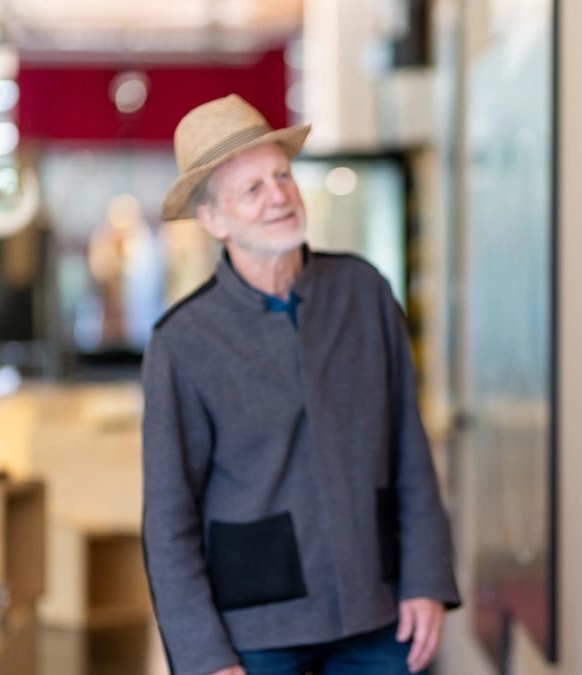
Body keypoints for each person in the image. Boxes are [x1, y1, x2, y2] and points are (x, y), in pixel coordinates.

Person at [142, 94, 460, 675]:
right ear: (213, 219)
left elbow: (410, 451)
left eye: (281, 176)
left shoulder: (365, 293)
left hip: (379, 614)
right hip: (254, 632)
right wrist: (204, 657)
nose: (279, 197)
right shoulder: (182, 342)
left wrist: (427, 579)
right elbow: (169, 520)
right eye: (253, 190)